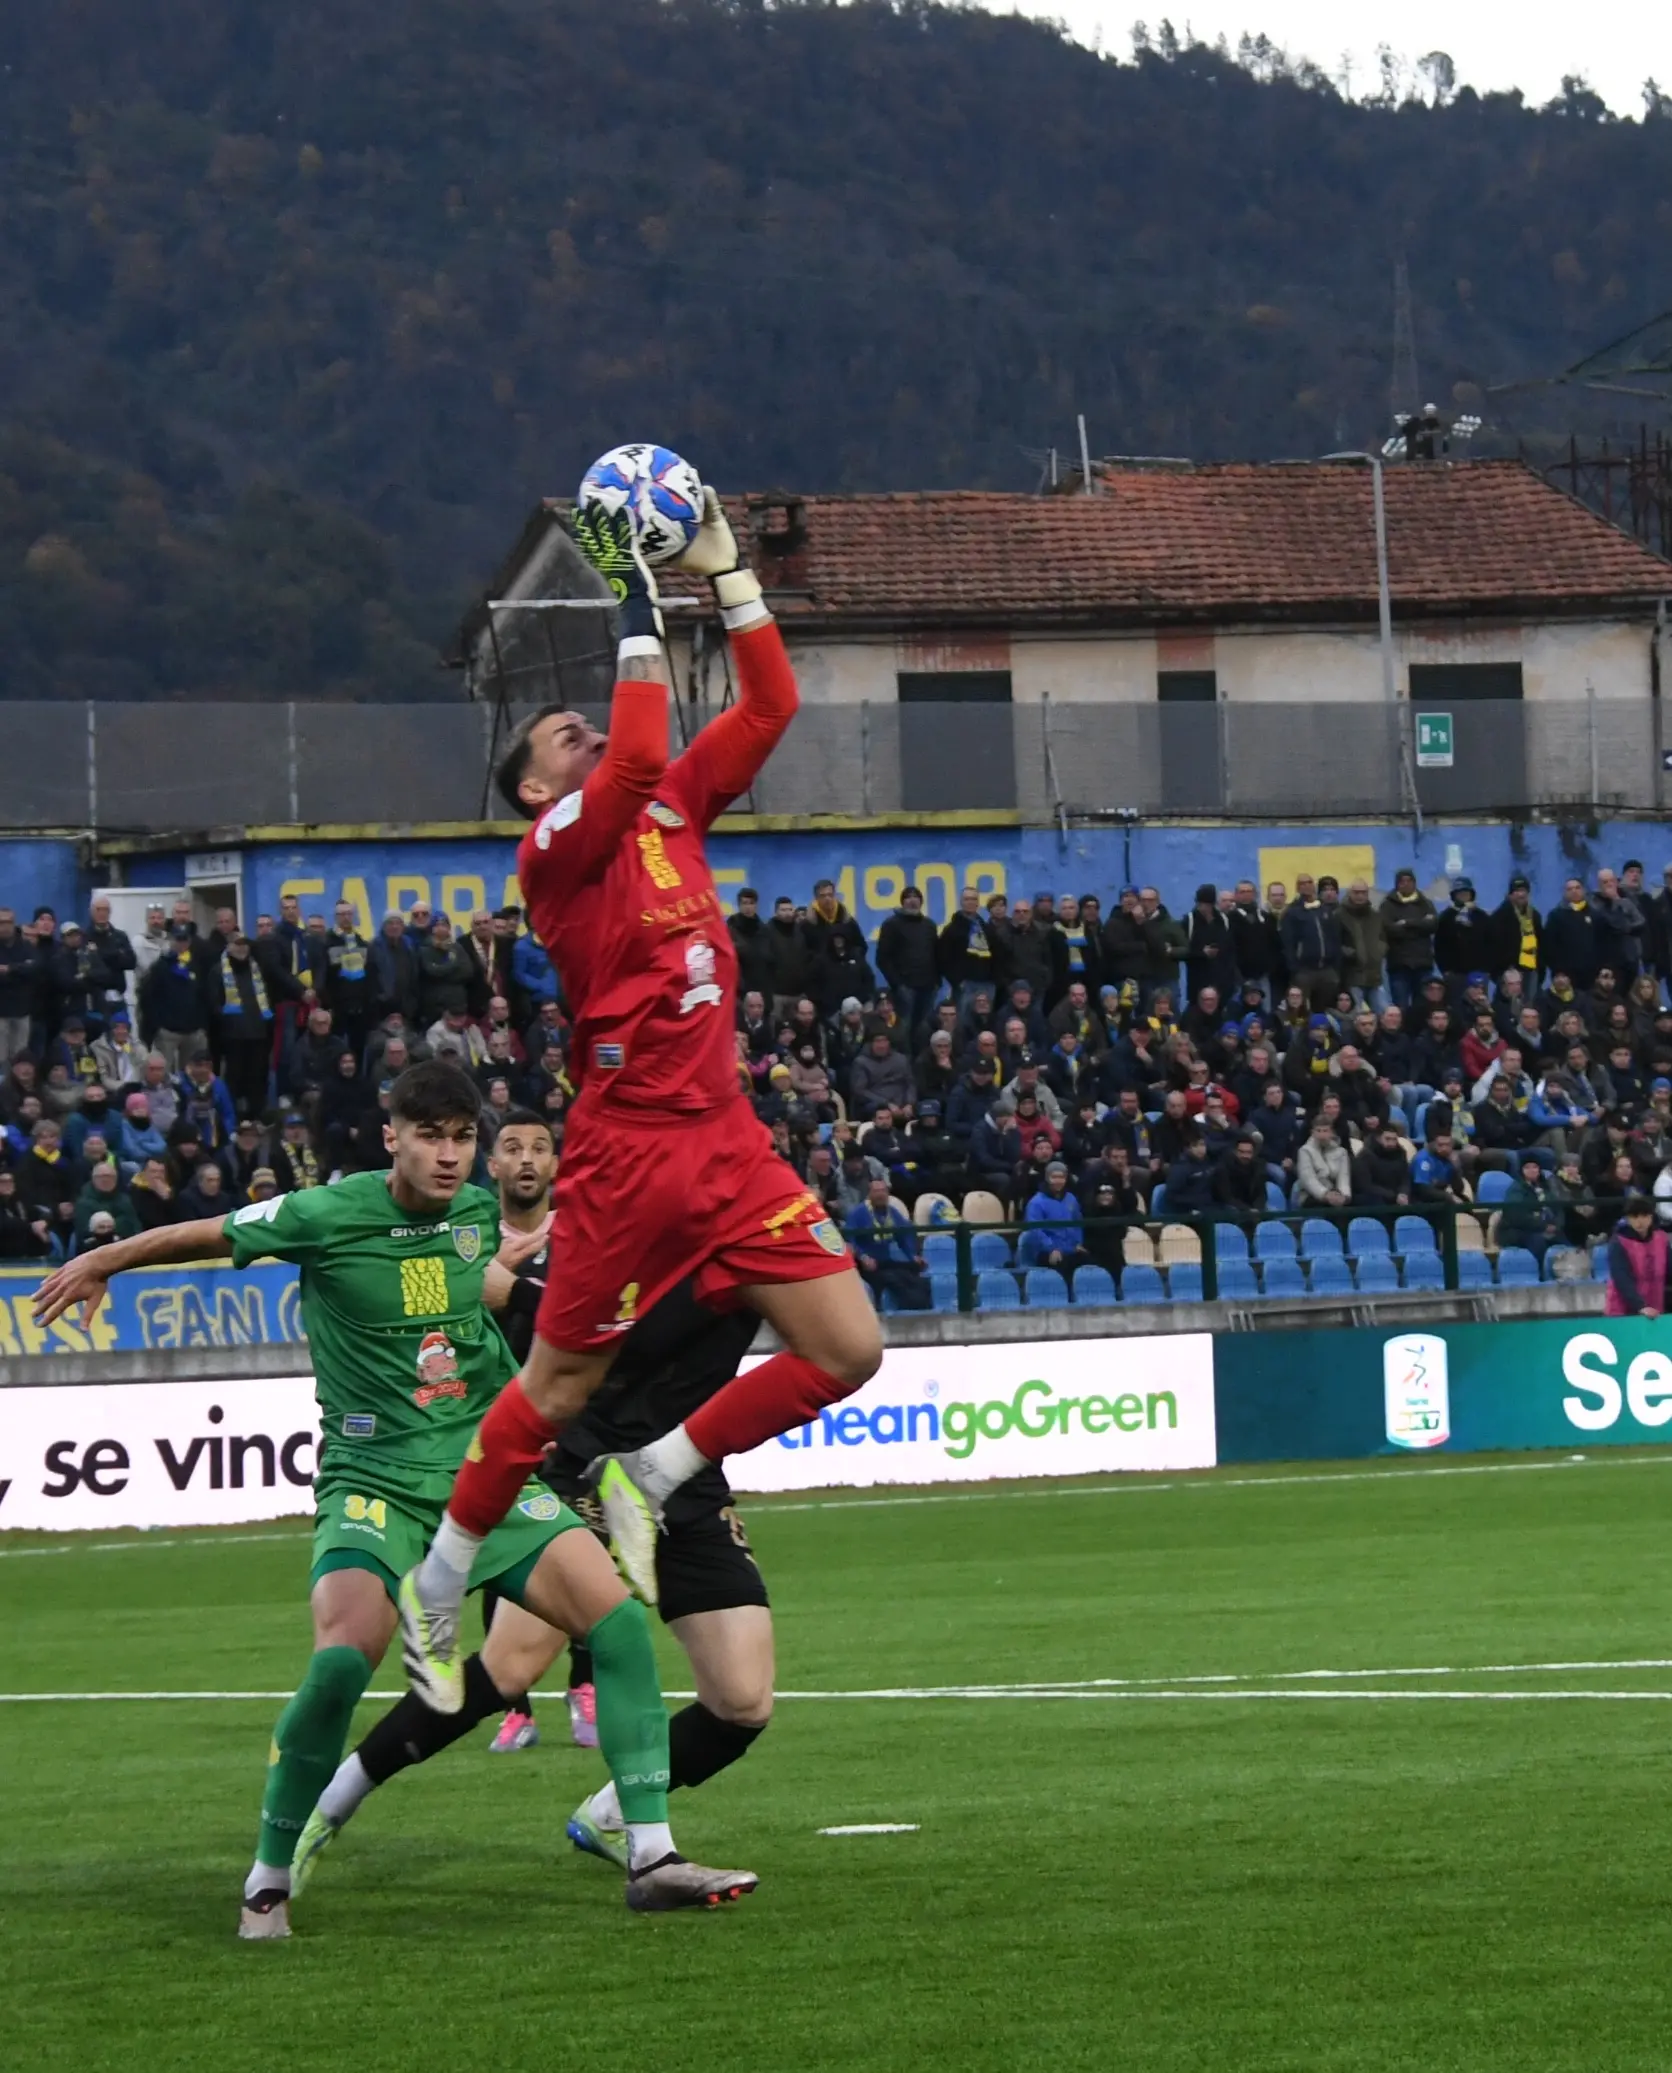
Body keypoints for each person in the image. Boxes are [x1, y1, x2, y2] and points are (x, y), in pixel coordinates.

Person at [31, 1061, 754, 1931]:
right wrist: (104, 1257)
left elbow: (468, 1286)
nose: (449, 1155)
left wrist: (529, 1329)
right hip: (372, 1481)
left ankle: (651, 1855)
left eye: (460, 1138)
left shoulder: (477, 1213)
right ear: (391, 1137)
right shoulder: (326, 1213)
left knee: (618, 1622)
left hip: (483, 1472)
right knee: (342, 1662)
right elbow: (214, 1232)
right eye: (430, 1136)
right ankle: (269, 1872)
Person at [398, 490, 881, 1704]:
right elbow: (634, 754)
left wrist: (733, 582)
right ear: (529, 793)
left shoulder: (669, 807)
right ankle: (444, 1578)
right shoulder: (559, 847)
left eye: (579, 723)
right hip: (624, 1149)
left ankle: (653, 1472)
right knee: (552, 1391)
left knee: (848, 1348)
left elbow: (770, 704)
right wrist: (633, 592)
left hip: (724, 1137)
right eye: (552, 737)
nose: (572, 730)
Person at [844, 1175, 931, 1309]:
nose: (880, 1195)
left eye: (883, 1191)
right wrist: (863, 1257)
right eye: (876, 1191)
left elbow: (904, 1236)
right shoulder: (858, 1213)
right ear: (869, 1194)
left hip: (885, 1262)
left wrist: (913, 1255)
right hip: (867, 1265)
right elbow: (849, 1239)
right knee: (893, 1280)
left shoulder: (893, 1212)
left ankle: (924, 1311)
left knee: (916, 1277)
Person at [1604, 1195, 1667, 1318]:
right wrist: (1640, 1306)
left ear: (1651, 1217)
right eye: (1634, 1217)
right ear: (1628, 1219)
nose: (1640, 1221)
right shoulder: (1619, 1242)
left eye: (1644, 1216)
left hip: (1654, 1308)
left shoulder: (1661, 1239)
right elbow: (1622, 1278)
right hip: (1622, 1311)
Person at [1296, 1116, 1351, 1208]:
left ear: (1331, 1132)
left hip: (1336, 1193)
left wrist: (1344, 1196)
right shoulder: (1305, 1151)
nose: (1322, 1135)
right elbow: (1308, 1179)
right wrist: (1325, 1194)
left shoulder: (1341, 1152)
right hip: (1311, 1195)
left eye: (1325, 1131)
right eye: (1318, 1131)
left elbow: (1343, 1177)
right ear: (1312, 1132)